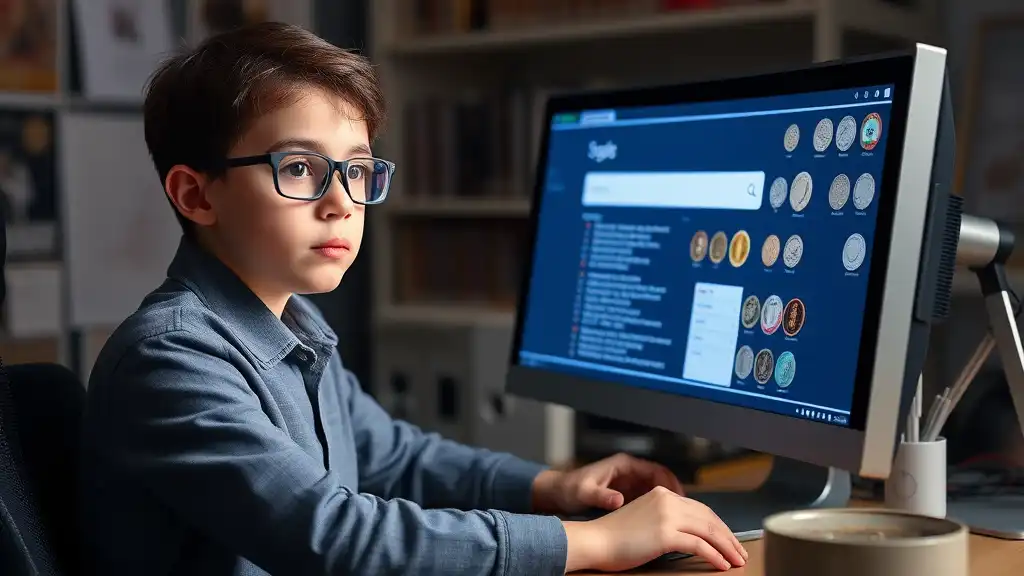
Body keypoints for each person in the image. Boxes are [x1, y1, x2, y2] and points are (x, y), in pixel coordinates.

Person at [77, 21, 748, 575]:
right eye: (301, 167)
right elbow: (337, 537)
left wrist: (552, 488)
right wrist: (597, 543)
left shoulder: (292, 324)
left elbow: (394, 457)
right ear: (197, 194)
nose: (342, 202)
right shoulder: (173, 358)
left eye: (359, 169)